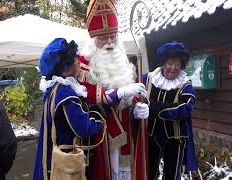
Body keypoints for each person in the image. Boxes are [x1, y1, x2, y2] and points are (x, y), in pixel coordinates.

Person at [77, 0, 150, 179]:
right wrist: (115, 94)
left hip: (126, 129)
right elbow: (86, 97)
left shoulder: (123, 60)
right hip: (100, 135)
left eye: (113, 36)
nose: (110, 42)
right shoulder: (82, 64)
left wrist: (138, 107)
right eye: (104, 37)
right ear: (93, 40)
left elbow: (131, 93)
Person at [33, 38, 105, 180]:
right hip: (62, 162)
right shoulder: (65, 93)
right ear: (65, 69)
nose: (78, 61)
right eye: (74, 59)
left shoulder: (54, 89)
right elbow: (83, 129)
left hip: (51, 155)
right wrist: (99, 116)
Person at [143, 42, 198, 180]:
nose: (173, 68)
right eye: (170, 63)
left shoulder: (186, 85)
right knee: (149, 171)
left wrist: (155, 108)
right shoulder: (148, 79)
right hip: (150, 134)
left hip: (175, 137)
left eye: (177, 64)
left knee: (172, 174)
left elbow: (184, 108)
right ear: (163, 63)